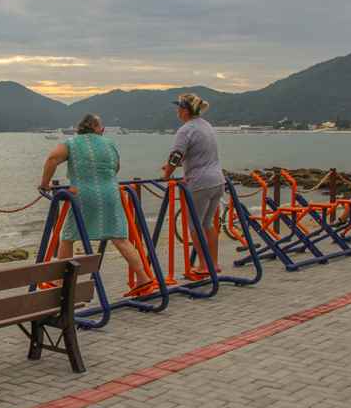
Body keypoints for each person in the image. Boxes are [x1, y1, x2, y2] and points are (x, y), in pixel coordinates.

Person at [38, 114, 156, 295]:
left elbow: (52, 159)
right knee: (120, 237)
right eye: (102, 127)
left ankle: (61, 281)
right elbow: (116, 167)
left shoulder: (72, 143)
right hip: (110, 192)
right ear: (96, 128)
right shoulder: (109, 144)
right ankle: (143, 277)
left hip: (83, 194)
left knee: (68, 237)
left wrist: (45, 184)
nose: (104, 130)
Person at [161, 93, 224, 276]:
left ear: (185, 110)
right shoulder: (206, 126)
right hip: (217, 179)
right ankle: (214, 263)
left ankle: (204, 265)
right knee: (208, 223)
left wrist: (167, 174)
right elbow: (198, 153)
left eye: (179, 107)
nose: (177, 111)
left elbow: (176, 155)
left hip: (200, 182)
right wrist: (175, 166)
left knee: (194, 225)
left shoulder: (186, 130)